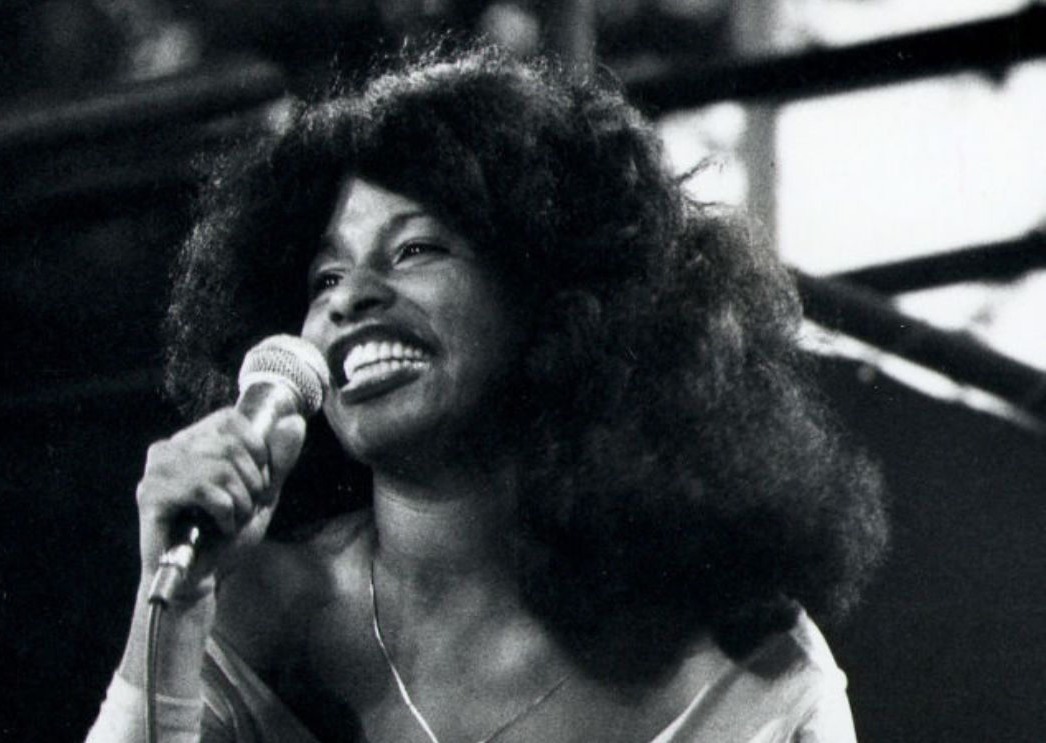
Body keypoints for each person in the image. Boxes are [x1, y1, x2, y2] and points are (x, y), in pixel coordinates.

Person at [86, 45, 888, 743]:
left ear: (556, 293)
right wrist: (174, 612)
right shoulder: (247, 613)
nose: (349, 296)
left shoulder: (744, 661)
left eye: (416, 248)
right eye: (324, 274)